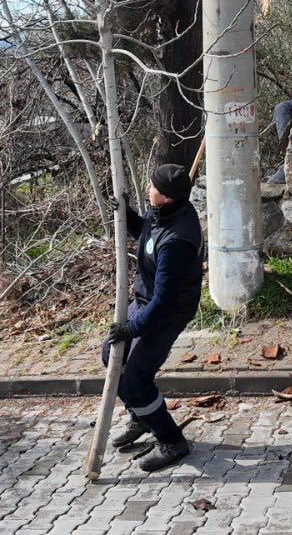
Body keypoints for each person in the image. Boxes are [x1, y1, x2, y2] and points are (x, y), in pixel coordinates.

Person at [104, 163, 202, 472]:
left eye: (153, 187)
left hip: (166, 313)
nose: (148, 189)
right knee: (110, 355)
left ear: (168, 196)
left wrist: (132, 328)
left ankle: (171, 440)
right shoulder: (164, 213)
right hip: (146, 301)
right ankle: (142, 416)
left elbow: (163, 302)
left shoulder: (177, 241)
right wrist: (126, 214)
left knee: (135, 379)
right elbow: (146, 234)